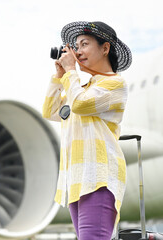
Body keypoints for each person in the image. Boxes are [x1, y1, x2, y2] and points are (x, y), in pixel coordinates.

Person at [42, 21, 132, 240]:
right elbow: (50, 111)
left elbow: (80, 105)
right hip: (77, 179)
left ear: (105, 48)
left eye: (84, 44)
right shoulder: (80, 88)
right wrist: (59, 76)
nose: (78, 51)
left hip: (97, 176)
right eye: (76, 46)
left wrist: (71, 71)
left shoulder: (114, 85)